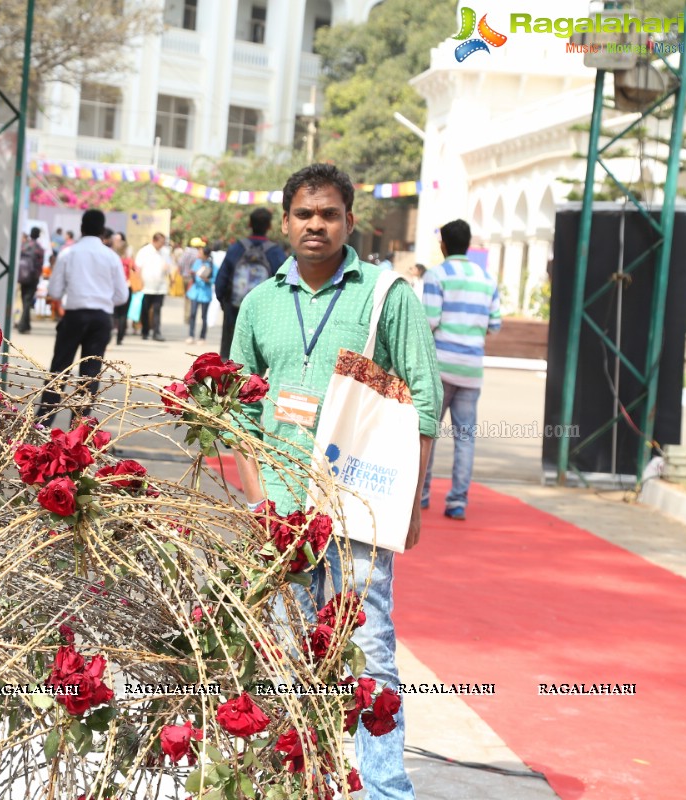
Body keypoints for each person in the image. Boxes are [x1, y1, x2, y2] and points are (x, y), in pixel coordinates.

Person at [230, 163, 441, 800]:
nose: (315, 224)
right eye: (303, 214)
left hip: (359, 510)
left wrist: (409, 500)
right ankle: (302, 782)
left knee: (368, 652)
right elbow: (236, 404)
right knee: (287, 657)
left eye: (328, 214)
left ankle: (384, 790)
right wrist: (260, 497)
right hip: (283, 513)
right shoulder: (261, 303)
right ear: (285, 223)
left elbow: (424, 400)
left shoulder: (386, 295)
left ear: (351, 222)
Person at [421, 219, 501, 521]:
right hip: (471, 369)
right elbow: (494, 324)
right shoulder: (486, 278)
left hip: (441, 368)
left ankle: (422, 496)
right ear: (468, 244)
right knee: (466, 438)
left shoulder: (437, 275)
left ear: (443, 244)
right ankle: (457, 502)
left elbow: (429, 320)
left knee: (427, 433)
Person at [38, 209, 129, 425]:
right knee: (90, 375)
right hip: (101, 319)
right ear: (102, 231)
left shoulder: (69, 253)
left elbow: (55, 292)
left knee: (60, 369)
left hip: (74, 316)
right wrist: (101, 300)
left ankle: (43, 422)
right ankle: (78, 429)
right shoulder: (111, 257)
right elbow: (121, 295)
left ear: (82, 228)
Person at [214, 208, 286, 359]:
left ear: (249, 224)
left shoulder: (236, 248)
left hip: (234, 309)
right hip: (265, 313)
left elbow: (221, 280)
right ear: (269, 227)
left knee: (229, 355)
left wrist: (224, 303)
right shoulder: (275, 252)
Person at [135, 232, 170, 341]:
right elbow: (138, 267)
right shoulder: (145, 251)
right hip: (146, 286)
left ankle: (156, 332)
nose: (162, 245)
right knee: (145, 310)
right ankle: (145, 331)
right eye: (161, 242)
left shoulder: (165, 252)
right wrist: (139, 281)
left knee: (157, 310)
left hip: (160, 286)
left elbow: (169, 266)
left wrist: (167, 269)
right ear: (154, 241)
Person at [16, 227, 46, 333]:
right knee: (28, 300)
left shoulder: (24, 245)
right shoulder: (39, 248)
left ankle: (26, 324)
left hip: (22, 276)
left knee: (24, 298)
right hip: (33, 277)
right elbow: (40, 264)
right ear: (38, 235)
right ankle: (22, 325)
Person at [110, 233, 135, 345]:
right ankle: (120, 338)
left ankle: (110, 334)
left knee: (113, 312)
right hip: (127, 287)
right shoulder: (129, 261)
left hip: (114, 288)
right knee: (123, 314)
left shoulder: (113, 259)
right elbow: (136, 271)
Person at [185, 245, 213, 344]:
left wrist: (208, 280)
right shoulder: (197, 262)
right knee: (192, 314)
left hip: (205, 294)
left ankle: (202, 337)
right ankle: (191, 335)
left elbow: (214, 278)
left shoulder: (212, 265)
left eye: (200, 253)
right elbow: (193, 273)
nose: (198, 254)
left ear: (205, 254)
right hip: (195, 292)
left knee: (204, 316)